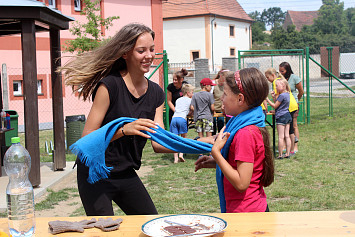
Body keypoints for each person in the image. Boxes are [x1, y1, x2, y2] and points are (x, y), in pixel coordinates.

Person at [60, 23, 173, 216]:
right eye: (141, 50)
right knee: (104, 230)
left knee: (150, 222)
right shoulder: (109, 86)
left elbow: (158, 143)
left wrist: (199, 143)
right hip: (95, 172)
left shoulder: (156, 93)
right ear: (125, 53)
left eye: (152, 49)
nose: (149, 55)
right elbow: (86, 139)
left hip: (125, 172)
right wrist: (123, 130)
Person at [195, 69, 274, 213]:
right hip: (249, 209)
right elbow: (243, 165)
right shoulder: (247, 124)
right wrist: (215, 162)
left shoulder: (245, 133)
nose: (221, 98)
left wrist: (216, 153)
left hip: (247, 214)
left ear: (240, 99)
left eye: (225, 94)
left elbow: (242, 183)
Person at [265, 68, 298, 156]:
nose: (267, 80)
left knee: (285, 133)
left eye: (267, 77)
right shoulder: (285, 90)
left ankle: (286, 150)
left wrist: (268, 100)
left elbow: (276, 103)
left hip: (286, 110)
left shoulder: (277, 82)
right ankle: (290, 150)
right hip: (289, 108)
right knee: (289, 131)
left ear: (272, 75)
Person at [279, 62, 304, 153]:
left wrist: (296, 100)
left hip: (293, 106)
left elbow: (301, 91)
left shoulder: (295, 78)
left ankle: (295, 146)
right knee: (285, 126)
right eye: (279, 71)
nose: (280, 73)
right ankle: (286, 146)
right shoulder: (280, 79)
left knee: (293, 125)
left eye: (282, 71)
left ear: (287, 70)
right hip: (283, 106)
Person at [266, 79, 292, 159]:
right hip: (287, 115)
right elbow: (279, 104)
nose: (276, 87)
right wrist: (274, 97)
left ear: (283, 86)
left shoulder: (281, 96)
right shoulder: (287, 94)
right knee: (287, 136)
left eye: (277, 86)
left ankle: (280, 155)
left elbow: (275, 105)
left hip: (281, 117)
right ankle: (287, 153)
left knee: (281, 136)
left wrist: (267, 99)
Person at [170, 84, 195, 163]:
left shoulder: (178, 100)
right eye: (192, 92)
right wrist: (192, 112)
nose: (193, 94)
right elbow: (191, 108)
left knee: (175, 139)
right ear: (188, 93)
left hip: (174, 119)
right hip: (182, 119)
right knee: (183, 137)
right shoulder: (189, 100)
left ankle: (175, 158)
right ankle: (181, 154)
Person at [213, 69, 229, 135]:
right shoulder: (213, 84)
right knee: (213, 123)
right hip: (213, 108)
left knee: (221, 121)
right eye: (225, 78)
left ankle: (220, 136)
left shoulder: (226, 85)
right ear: (221, 76)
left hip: (222, 109)